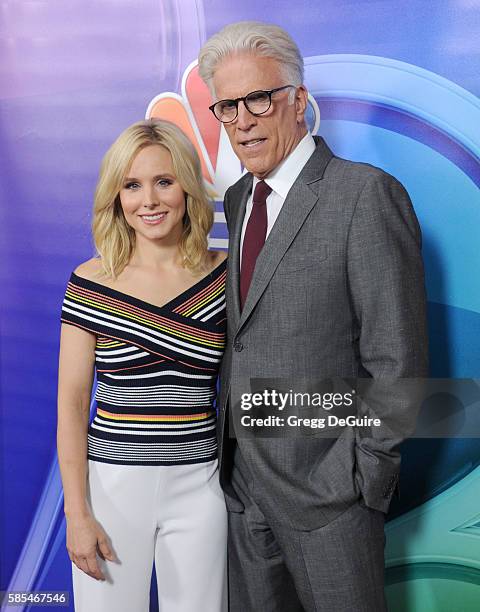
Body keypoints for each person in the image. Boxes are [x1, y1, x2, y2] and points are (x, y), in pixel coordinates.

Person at [198, 21, 428, 612]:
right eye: (228, 105)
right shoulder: (238, 200)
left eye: (258, 98)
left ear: (298, 101)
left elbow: (396, 360)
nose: (242, 119)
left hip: (330, 500)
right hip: (243, 492)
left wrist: (359, 481)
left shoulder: (364, 195)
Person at [57, 119, 228, 612]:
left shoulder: (225, 274)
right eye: (132, 185)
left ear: (188, 189)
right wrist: (77, 514)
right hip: (110, 490)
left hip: (201, 486)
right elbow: (70, 407)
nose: (148, 201)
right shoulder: (89, 283)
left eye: (164, 182)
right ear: (116, 196)